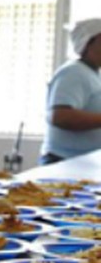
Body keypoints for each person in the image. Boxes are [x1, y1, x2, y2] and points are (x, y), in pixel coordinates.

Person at [40, 18, 101, 164]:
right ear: (88, 43)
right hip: (64, 162)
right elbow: (61, 117)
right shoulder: (73, 73)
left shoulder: (92, 74)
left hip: (83, 162)